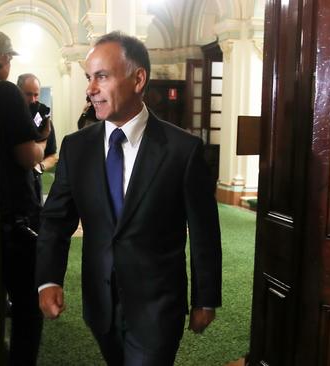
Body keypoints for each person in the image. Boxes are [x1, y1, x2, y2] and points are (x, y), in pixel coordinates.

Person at [36, 31, 222, 365]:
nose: (90, 89)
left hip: (158, 307)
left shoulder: (183, 150)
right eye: (89, 78)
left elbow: (205, 232)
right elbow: (56, 220)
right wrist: (48, 278)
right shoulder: (75, 148)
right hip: (100, 304)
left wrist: (205, 298)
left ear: (138, 79)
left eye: (102, 77)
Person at [0, 30, 49, 366]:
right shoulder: (4, 93)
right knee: (29, 307)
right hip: (13, 222)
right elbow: (28, 157)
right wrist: (41, 143)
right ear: (3, 58)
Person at [16, 73, 59, 202]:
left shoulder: (44, 122)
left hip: (34, 189)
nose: (33, 100)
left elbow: (52, 156)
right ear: (18, 93)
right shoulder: (10, 119)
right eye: (28, 94)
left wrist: (40, 167)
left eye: (36, 95)